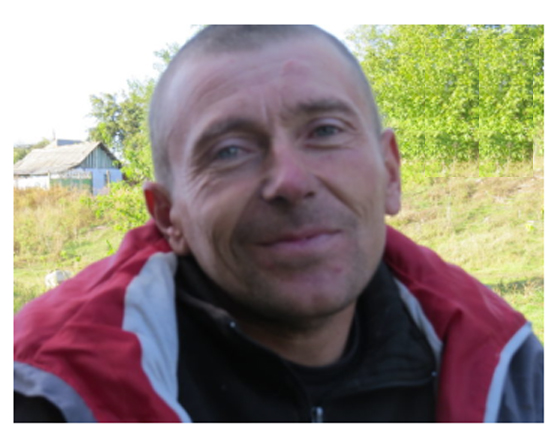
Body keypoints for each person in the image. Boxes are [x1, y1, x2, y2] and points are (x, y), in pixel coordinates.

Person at [14, 25, 543, 423]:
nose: (290, 181)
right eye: (229, 150)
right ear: (168, 216)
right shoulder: (39, 398)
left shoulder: (507, 370)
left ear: (390, 172)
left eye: (326, 131)